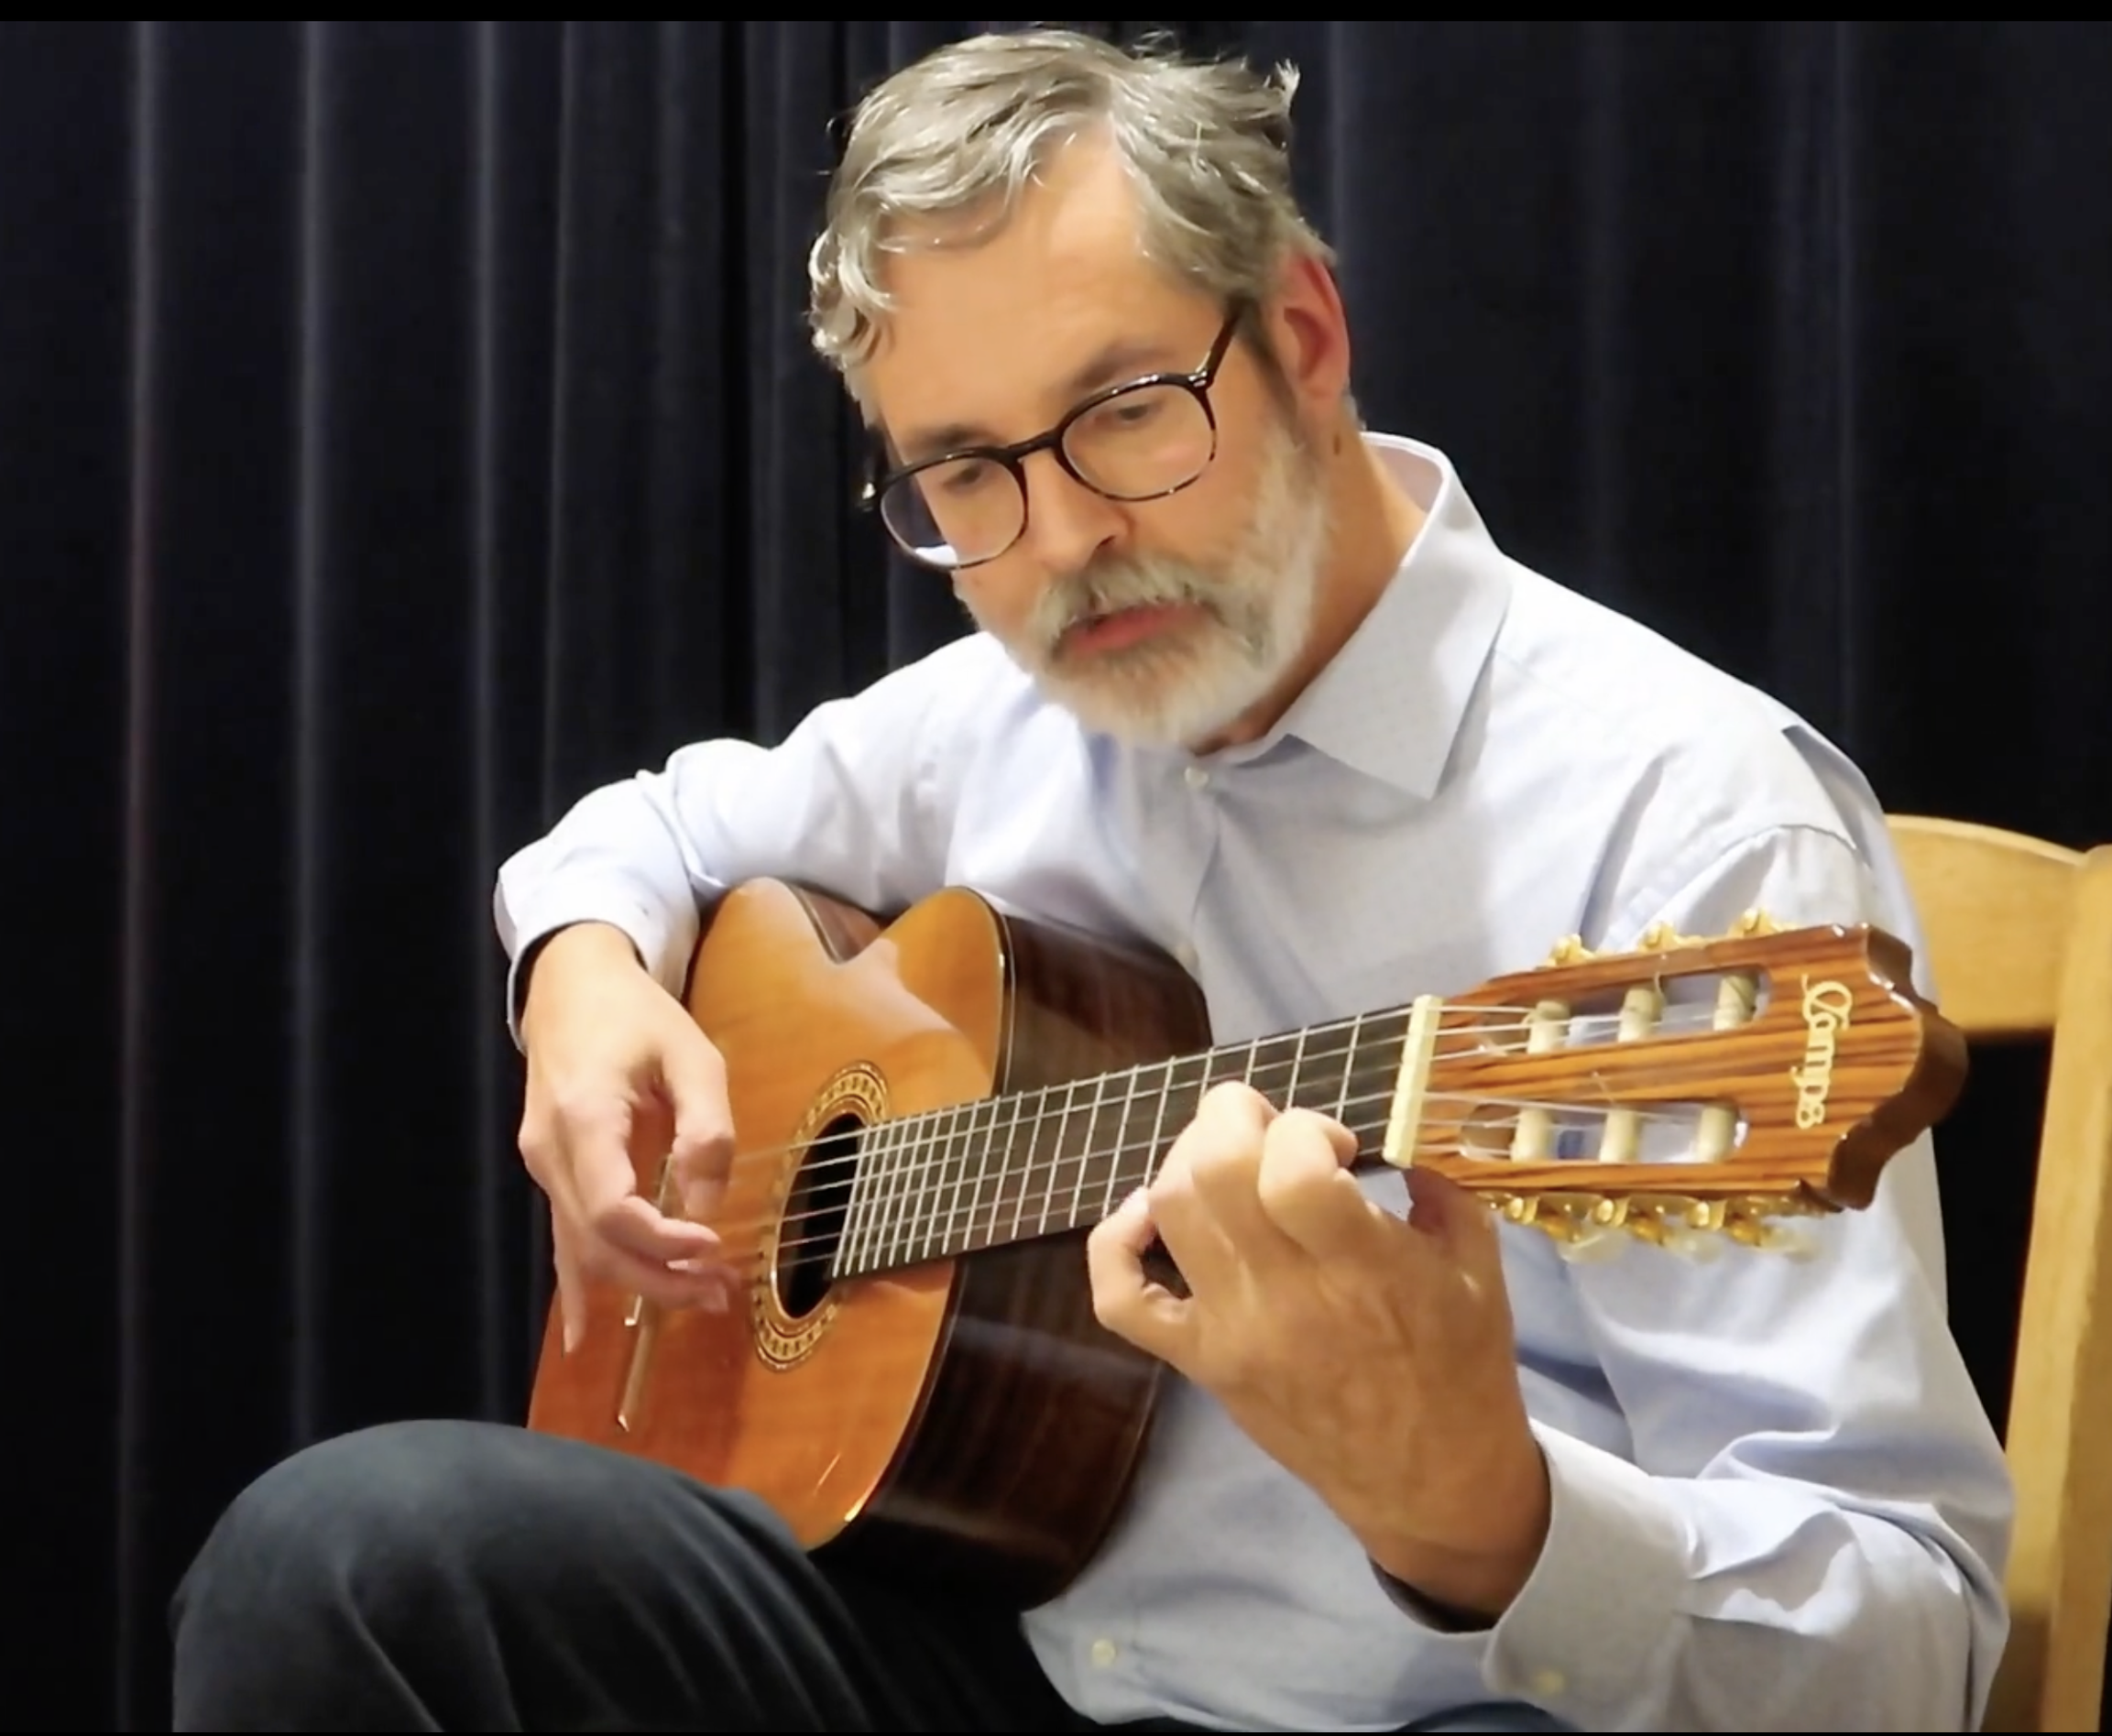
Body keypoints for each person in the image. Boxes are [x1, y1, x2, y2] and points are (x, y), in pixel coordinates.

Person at [169, 27, 2014, 1734]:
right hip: (1003, 1653)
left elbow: (1908, 1638)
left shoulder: (1682, 819)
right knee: (344, 1553)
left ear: (1299, 333)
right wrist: (579, 970)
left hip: (1425, 1698)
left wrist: (1492, 1522)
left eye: (1125, 410)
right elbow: (643, 831)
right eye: (961, 474)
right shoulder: (999, 710)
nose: (1059, 542)